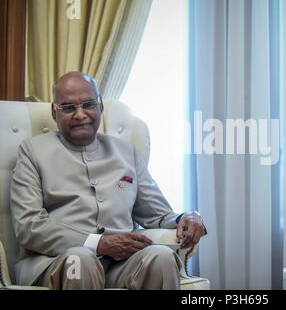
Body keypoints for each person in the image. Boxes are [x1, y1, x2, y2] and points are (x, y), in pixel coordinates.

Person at [9, 71, 206, 290]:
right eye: (68, 107)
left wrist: (187, 217)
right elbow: (28, 226)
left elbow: (157, 215)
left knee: (161, 257)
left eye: (88, 104)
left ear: (100, 106)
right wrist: (99, 244)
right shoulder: (32, 151)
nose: (80, 114)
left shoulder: (126, 152)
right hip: (57, 261)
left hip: (121, 265)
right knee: (80, 261)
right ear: (54, 113)